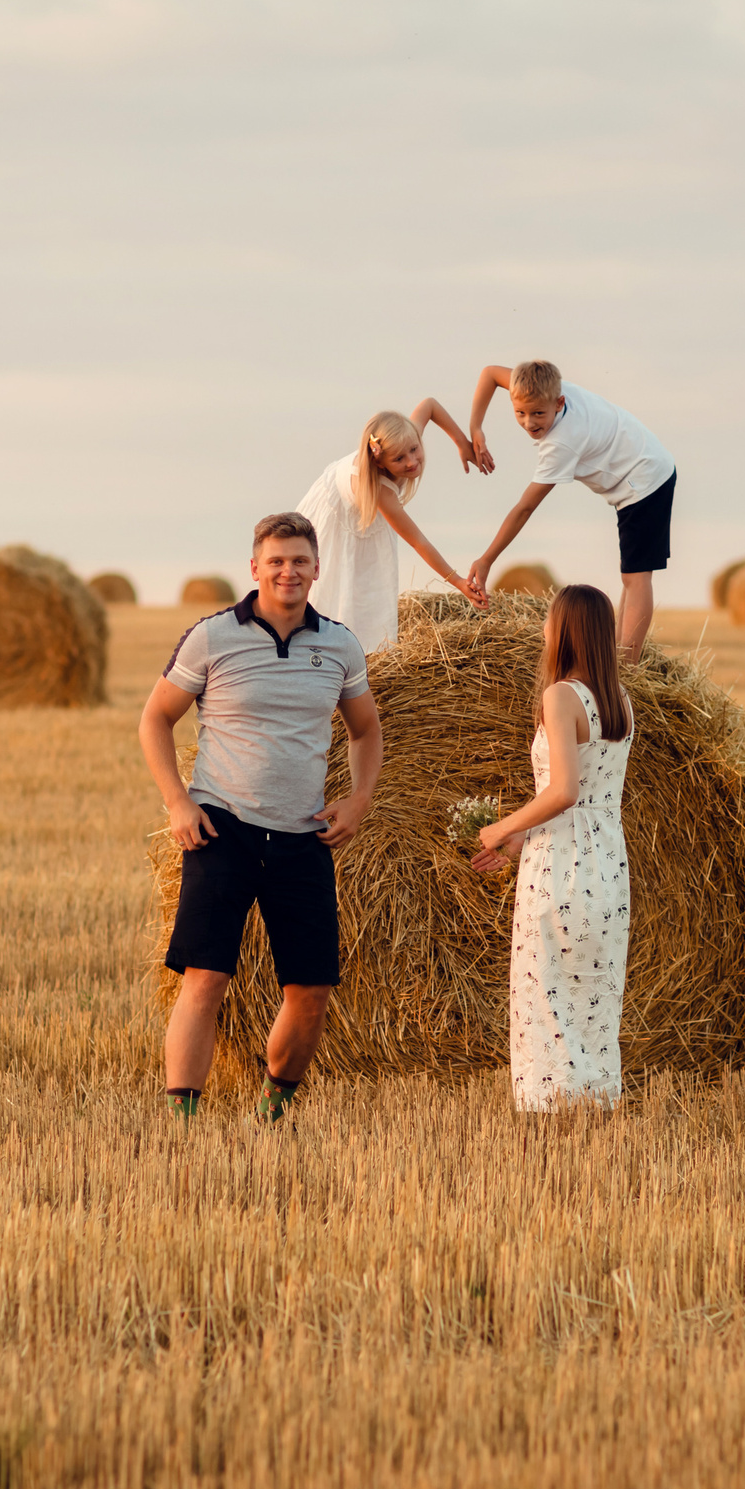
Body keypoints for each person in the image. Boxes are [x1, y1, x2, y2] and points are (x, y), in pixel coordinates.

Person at [137, 511, 381, 1122]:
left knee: (312, 993)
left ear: (317, 569)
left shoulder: (340, 645)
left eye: (299, 560)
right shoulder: (213, 636)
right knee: (206, 978)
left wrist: (357, 800)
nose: (288, 571)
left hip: (303, 838)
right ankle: (181, 1122)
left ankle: (272, 1112)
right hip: (223, 829)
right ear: (254, 568)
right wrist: (177, 802)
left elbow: (366, 731)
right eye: (275, 560)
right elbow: (155, 719)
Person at [471, 584, 633, 1110]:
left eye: (549, 620)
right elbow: (587, 793)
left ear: (563, 630)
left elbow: (564, 790)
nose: (543, 629)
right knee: (593, 993)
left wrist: (499, 829)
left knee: (547, 993)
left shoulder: (561, 695)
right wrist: (523, 836)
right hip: (606, 858)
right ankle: (594, 1106)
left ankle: (551, 1114)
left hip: (562, 864)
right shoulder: (620, 702)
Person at [464, 359, 676, 662]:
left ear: (559, 402)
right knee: (630, 574)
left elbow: (525, 508)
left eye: (538, 414)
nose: (529, 422)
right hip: (643, 464)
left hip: (644, 482)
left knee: (637, 577)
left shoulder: (562, 442)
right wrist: (476, 428)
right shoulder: (539, 388)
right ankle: (617, 657)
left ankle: (627, 669)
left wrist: (486, 559)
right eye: (519, 413)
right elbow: (489, 374)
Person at [294, 400, 488, 654]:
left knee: (368, 592)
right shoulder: (382, 493)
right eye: (399, 459)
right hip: (334, 518)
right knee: (339, 592)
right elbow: (418, 540)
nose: (411, 461)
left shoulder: (405, 434)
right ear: (380, 462)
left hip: (360, 505)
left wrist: (462, 443)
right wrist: (459, 582)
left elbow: (430, 406)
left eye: (414, 449)